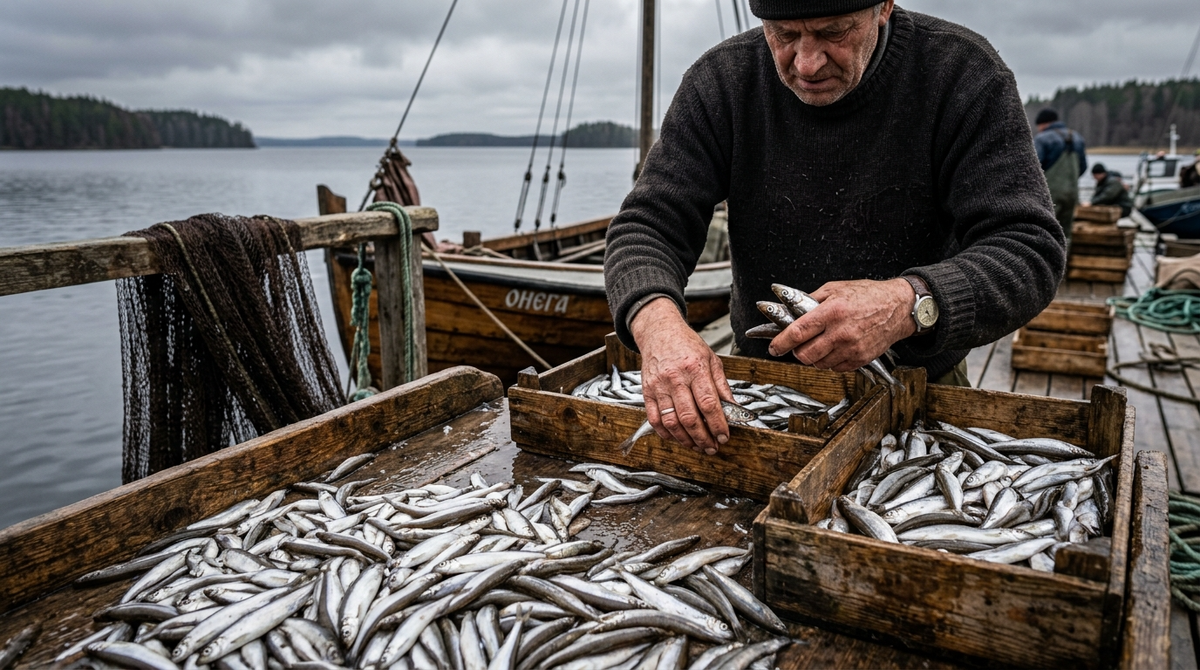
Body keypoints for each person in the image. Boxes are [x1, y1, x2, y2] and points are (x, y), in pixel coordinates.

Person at [603, 0, 1065, 455]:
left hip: (920, 384)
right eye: (784, 35)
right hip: (761, 384)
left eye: (833, 32)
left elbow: (1029, 248)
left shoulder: (962, 73)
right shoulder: (721, 81)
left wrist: (908, 303)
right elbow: (647, 226)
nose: (806, 62)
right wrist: (659, 328)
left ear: (884, 7)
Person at [1033, 108, 1088, 244]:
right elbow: (1083, 167)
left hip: (1051, 193)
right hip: (1072, 193)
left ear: (1044, 123)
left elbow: (1033, 167)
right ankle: (1063, 263)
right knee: (1065, 233)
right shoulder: (1077, 137)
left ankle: (1042, 264)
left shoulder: (1042, 138)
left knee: (1044, 230)